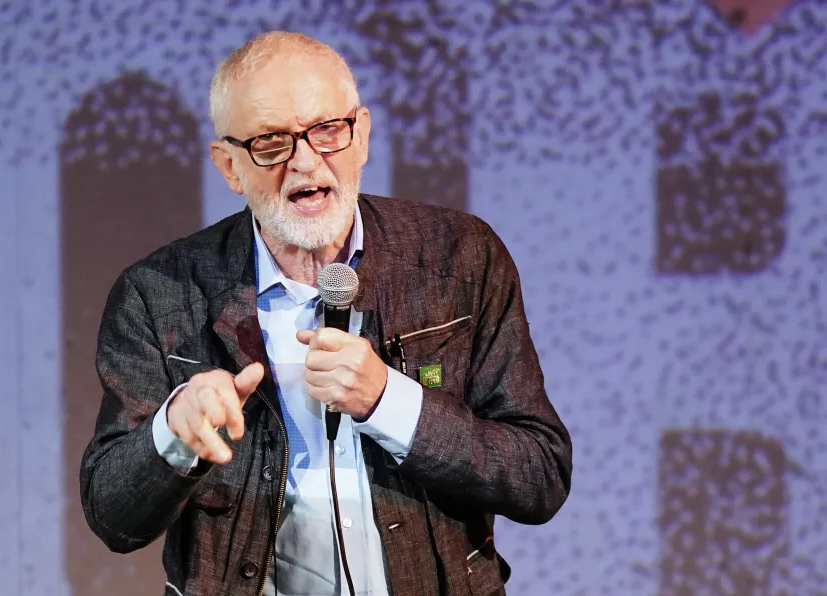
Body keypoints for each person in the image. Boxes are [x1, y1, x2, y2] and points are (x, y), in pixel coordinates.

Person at [80, 31, 572, 596]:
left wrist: (387, 401)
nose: (306, 161)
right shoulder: (157, 293)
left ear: (361, 135)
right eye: (270, 142)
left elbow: (540, 476)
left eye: (328, 130)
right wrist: (172, 433)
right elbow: (112, 518)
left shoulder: (459, 258)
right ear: (230, 166)